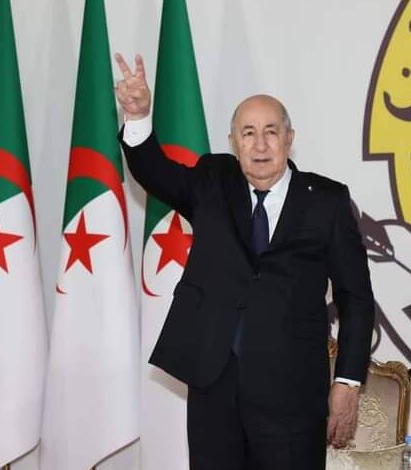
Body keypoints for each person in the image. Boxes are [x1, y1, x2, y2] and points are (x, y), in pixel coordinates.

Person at [115, 53, 375, 470]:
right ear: (234, 142)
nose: (260, 145)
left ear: (289, 138)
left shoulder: (326, 200)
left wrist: (347, 381)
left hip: (292, 394)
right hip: (214, 385)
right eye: (248, 133)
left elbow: (356, 298)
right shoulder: (213, 180)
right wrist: (138, 116)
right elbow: (155, 172)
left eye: (271, 132)